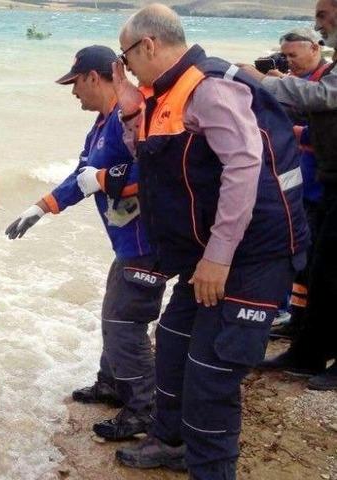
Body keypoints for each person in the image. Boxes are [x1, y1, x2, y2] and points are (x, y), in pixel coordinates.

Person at [103, 5, 309, 478]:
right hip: (210, 249)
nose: (126, 64)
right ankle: (172, 442)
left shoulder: (210, 87)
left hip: (254, 251)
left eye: (126, 54)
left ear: (148, 45)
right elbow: (155, 161)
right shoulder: (166, 92)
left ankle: (211, 469)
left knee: (210, 378)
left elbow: (244, 168)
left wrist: (217, 258)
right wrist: (132, 108)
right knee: (173, 347)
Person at [5, 45, 164, 441]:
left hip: (146, 243)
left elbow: (153, 173)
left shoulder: (132, 119)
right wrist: (40, 208)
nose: (73, 92)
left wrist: (105, 179)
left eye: (75, 84)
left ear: (95, 77)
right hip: (126, 243)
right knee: (114, 313)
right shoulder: (100, 124)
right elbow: (80, 177)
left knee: (124, 324)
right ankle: (111, 382)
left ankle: (143, 409)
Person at [238, 0, 337, 391]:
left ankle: (314, 351)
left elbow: (324, 97)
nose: (319, 24)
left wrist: (261, 81)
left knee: (330, 268)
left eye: (322, 15)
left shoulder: (326, 75)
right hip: (330, 180)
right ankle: (309, 350)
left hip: (327, 180)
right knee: (321, 268)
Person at [267, 27, 330, 340]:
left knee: (316, 260)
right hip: (298, 184)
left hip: (320, 187)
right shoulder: (299, 83)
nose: (289, 61)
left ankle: (306, 324)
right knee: (300, 259)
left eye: (294, 55)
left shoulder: (321, 85)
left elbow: (319, 136)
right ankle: (297, 318)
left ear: (315, 49)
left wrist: (288, 132)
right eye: (286, 55)